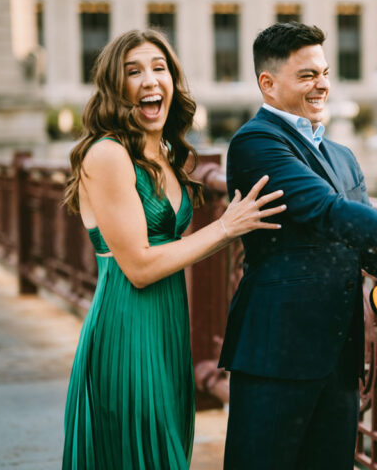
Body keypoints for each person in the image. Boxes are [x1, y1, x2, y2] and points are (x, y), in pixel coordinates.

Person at [220, 22, 377, 469]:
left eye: (324, 72)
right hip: (275, 358)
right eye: (306, 75)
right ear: (268, 83)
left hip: (340, 360)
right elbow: (325, 212)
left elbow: (370, 253)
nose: (322, 84)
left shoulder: (342, 156)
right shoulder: (254, 143)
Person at [60, 29, 286, 469]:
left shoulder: (167, 154)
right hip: (126, 328)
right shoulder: (106, 156)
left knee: (169, 450)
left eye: (159, 68)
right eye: (134, 71)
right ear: (115, 87)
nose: (150, 80)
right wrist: (224, 228)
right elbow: (141, 266)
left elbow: (174, 248)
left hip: (168, 329)